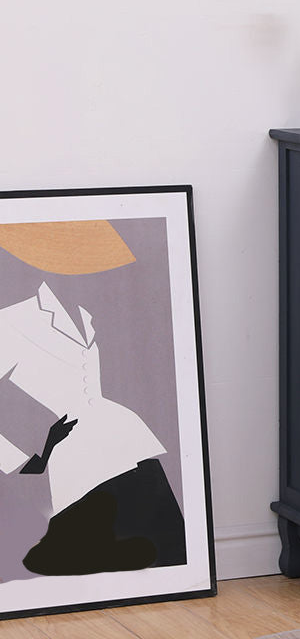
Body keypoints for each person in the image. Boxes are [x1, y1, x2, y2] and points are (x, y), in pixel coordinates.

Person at [0, 220, 186, 575]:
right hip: (76, 459)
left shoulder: (91, 312)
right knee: (97, 550)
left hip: (126, 439)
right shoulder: (13, 322)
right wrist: (32, 459)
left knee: (168, 544)